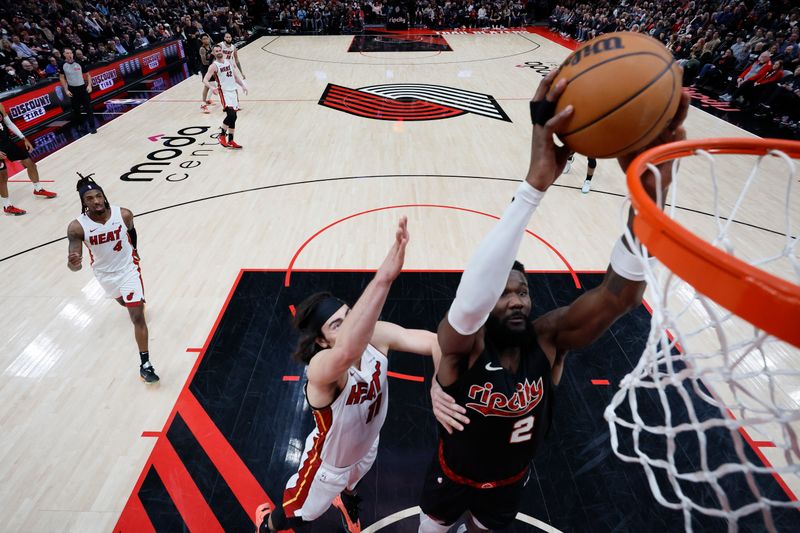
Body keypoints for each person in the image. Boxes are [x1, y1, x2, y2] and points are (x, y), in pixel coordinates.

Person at [418, 69, 689, 533]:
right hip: (452, 473)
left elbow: (617, 296)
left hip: (509, 482)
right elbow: (468, 304)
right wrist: (533, 188)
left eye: (522, 290)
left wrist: (651, 199)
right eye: (503, 294)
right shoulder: (461, 348)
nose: (517, 299)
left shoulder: (549, 339)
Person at [255, 217, 439, 533]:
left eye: (350, 315)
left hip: (367, 446)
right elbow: (346, 354)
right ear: (322, 341)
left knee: (355, 481)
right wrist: (383, 280)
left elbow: (434, 341)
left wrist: (439, 384)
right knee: (297, 513)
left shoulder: (376, 335)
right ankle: (266, 525)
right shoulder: (322, 370)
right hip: (327, 466)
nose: (354, 324)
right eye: (339, 325)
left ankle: (347, 499)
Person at [66, 174, 158, 383]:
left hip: (128, 268)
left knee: (137, 316)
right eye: (90, 198)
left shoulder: (123, 214)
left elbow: (132, 233)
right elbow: (75, 266)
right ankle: (132, 302)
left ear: (104, 196)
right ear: (83, 201)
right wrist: (73, 263)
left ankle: (145, 364)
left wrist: (135, 251)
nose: (96, 201)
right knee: (123, 302)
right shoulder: (77, 227)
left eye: (98, 196)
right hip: (105, 273)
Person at [0, 102, 57, 215]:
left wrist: (23, 138)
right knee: (2, 176)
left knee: (30, 163)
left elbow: (9, 123)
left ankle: (38, 189)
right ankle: (7, 206)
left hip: (7, 142)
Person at [203, 45, 248, 149]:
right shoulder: (214, 66)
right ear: (213, 53)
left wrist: (242, 85)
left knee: (234, 117)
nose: (218, 52)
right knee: (231, 115)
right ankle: (222, 135)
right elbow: (205, 80)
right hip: (224, 92)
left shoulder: (228, 62)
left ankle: (231, 140)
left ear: (222, 51)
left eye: (219, 50)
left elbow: (235, 76)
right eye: (216, 51)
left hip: (233, 91)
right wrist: (212, 87)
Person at [59, 48, 96, 134]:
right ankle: (80, 125)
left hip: (82, 88)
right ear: (64, 55)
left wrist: (89, 85)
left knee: (88, 108)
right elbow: (61, 77)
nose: (70, 55)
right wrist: (66, 90)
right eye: (67, 53)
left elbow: (88, 75)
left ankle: (92, 126)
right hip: (72, 89)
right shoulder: (62, 65)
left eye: (71, 53)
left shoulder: (79, 62)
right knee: (76, 110)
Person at [198, 34, 214, 113]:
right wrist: (214, 63)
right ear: (201, 40)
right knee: (206, 86)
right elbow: (204, 62)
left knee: (213, 84)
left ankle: (207, 100)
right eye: (203, 39)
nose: (205, 40)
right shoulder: (202, 49)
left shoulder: (211, 46)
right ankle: (203, 104)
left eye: (206, 38)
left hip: (211, 67)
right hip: (205, 68)